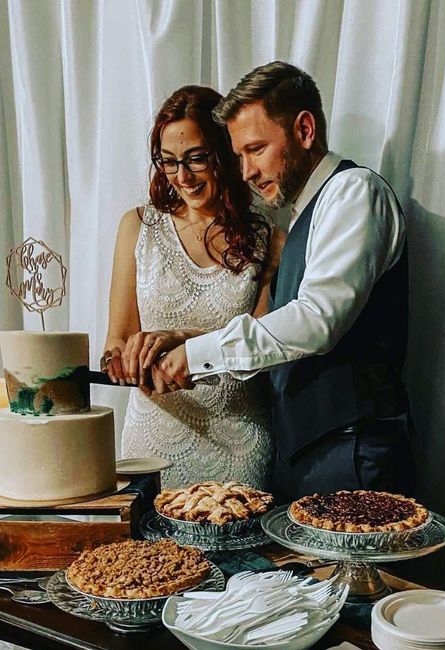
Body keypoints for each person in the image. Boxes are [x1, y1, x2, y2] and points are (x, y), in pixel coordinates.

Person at [138, 62, 416, 503]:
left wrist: (196, 355)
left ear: (304, 130)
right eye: (239, 156)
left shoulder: (354, 192)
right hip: (307, 456)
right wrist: (188, 338)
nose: (246, 171)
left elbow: (316, 321)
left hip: (353, 454)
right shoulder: (302, 216)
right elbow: (281, 332)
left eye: (256, 149)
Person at [101, 85, 281, 490]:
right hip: (150, 443)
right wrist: (124, 360)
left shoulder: (270, 239)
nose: (182, 177)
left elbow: (267, 347)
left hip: (239, 444)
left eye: (196, 158)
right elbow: (116, 339)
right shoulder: (137, 227)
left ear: (225, 153)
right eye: (168, 162)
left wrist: (187, 340)